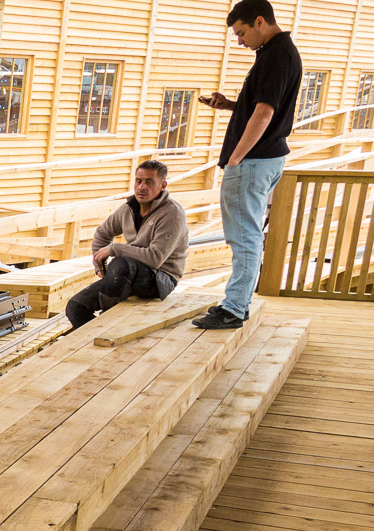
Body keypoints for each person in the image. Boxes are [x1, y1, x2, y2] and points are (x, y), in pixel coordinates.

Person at [192, 0, 302, 329]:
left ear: (259, 21)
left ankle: (234, 309)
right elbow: (261, 106)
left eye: (241, 33)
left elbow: (266, 113)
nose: (240, 41)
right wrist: (229, 105)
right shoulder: (277, 52)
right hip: (267, 157)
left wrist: (237, 157)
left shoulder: (276, 56)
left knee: (243, 238)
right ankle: (238, 303)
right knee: (248, 236)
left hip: (253, 161)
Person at [65, 160, 189, 328]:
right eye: (138, 181)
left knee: (120, 263)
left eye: (149, 182)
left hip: (161, 278)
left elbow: (155, 258)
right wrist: (99, 265)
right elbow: (102, 233)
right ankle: (94, 336)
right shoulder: (128, 209)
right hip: (126, 273)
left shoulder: (172, 213)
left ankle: (106, 323)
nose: (142, 187)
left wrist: (114, 249)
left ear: (162, 185)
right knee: (75, 307)